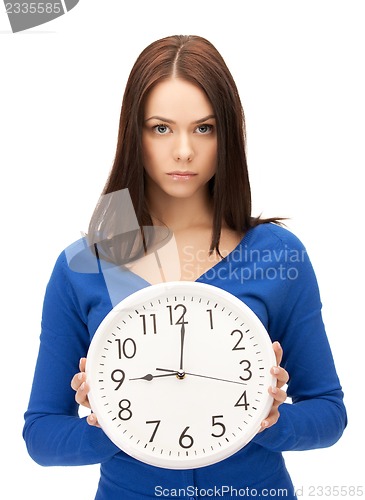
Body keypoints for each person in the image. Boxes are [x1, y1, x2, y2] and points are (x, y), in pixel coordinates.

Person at [23, 35, 347, 499]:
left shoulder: (279, 254)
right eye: (160, 128)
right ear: (133, 134)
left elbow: (329, 414)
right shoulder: (83, 268)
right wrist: (112, 421)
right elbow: (41, 435)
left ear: (227, 135)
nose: (183, 151)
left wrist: (270, 419)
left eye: (203, 128)